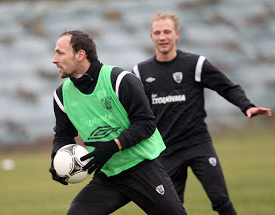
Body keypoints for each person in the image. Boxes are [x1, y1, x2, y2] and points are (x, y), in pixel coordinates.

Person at [132, 12, 272, 215]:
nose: (163, 36)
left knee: (221, 200)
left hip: (198, 145)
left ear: (177, 34)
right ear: (151, 37)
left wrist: (246, 106)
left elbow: (227, 87)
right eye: (158, 32)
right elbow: (132, 107)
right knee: (169, 209)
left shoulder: (195, 64)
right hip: (165, 150)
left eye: (167, 32)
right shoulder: (140, 71)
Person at [49, 30, 187, 215]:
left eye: (60, 53)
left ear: (80, 55)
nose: (54, 59)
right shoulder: (61, 96)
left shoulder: (120, 80)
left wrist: (114, 145)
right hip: (108, 176)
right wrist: (58, 157)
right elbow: (64, 135)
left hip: (142, 167)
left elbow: (146, 123)